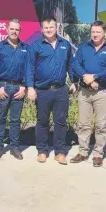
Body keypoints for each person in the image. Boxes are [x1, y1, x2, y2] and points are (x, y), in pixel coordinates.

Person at [69, 21, 106, 167]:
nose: (95, 34)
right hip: (84, 92)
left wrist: (96, 77)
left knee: (100, 125)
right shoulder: (83, 48)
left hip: (102, 92)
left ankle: (98, 154)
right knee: (83, 124)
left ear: (104, 32)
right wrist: (87, 77)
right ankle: (83, 152)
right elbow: (75, 65)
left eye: (98, 31)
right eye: (93, 32)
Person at [26, 16, 75, 165]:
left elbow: (70, 65)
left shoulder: (65, 45)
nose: (48, 30)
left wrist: (73, 81)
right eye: (46, 28)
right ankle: (42, 151)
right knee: (42, 122)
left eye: (51, 27)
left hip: (61, 90)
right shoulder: (35, 46)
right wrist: (30, 88)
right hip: (42, 91)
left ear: (57, 28)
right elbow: (29, 68)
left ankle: (60, 152)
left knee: (60, 122)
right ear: (42, 29)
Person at [0, 19, 28, 160]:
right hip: (3, 87)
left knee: (16, 120)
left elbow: (29, 70)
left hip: (19, 88)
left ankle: (14, 147)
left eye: (17, 29)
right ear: (7, 29)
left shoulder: (25, 48)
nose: (14, 31)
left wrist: (24, 87)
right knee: (1, 119)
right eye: (12, 29)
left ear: (20, 31)